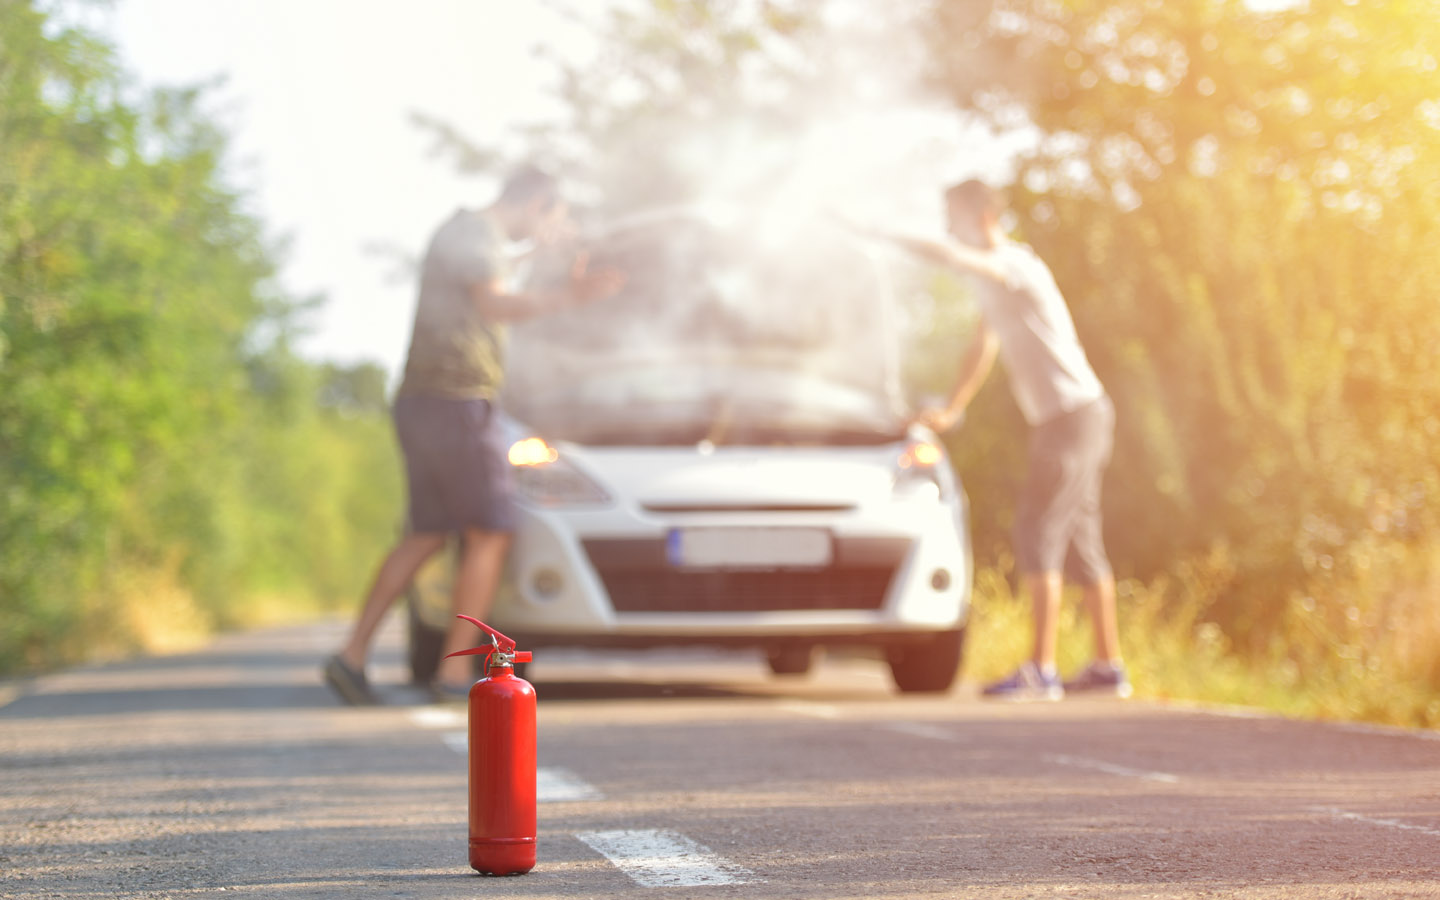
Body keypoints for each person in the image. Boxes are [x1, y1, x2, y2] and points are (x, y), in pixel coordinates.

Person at [323, 165, 624, 705]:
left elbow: (488, 277)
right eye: (550, 218)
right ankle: (453, 675)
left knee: (427, 533)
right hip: (457, 403)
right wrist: (571, 296)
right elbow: (494, 303)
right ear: (536, 204)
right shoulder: (476, 233)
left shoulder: (466, 235)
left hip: (427, 403)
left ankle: (351, 657)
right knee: (490, 532)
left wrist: (541, 256)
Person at [855, 179, 1128, 701]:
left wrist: (883, 233)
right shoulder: (995, 284)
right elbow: (983, 343)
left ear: (982, 216)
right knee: (1079, 538)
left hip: (1071, 417)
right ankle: (1107, 667)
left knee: (1036, 531)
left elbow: (953, 256)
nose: (946, 227)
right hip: (1075, 416)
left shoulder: (1015, 265)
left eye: (952, 215)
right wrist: (954, 408)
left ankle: (1041, 671)